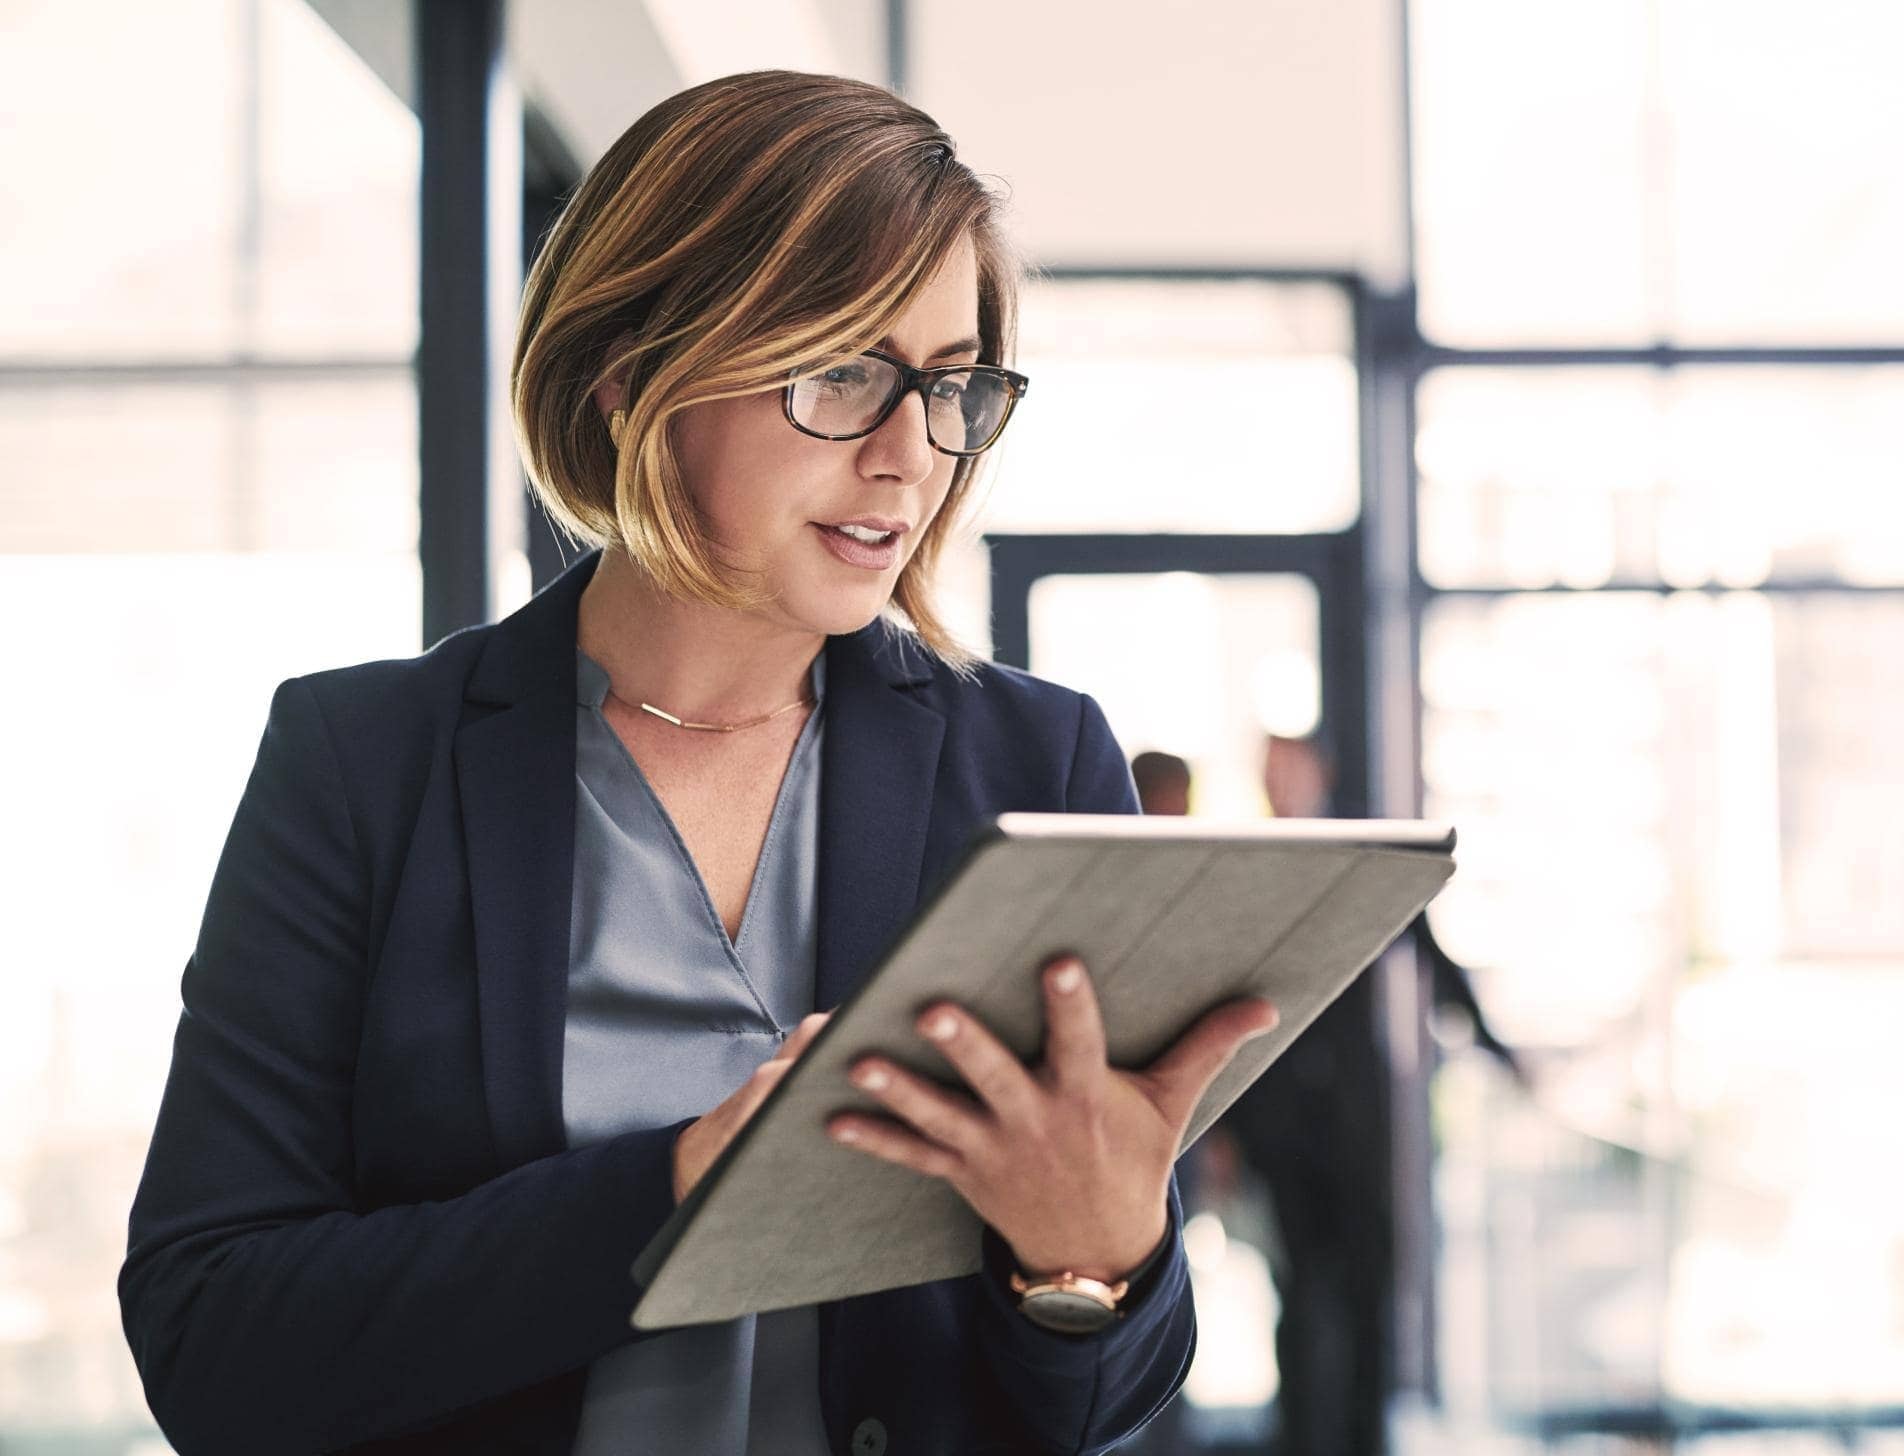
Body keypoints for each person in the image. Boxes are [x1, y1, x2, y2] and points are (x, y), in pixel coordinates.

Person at [116, 70, 1276, 1455]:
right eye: (846, 371)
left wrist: (1090, 1263)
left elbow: (1091, 1409)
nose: (913, 453)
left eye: (953, 384)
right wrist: (681, 1192)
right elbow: (211, 1347)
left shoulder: (1033, 759)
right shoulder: (366, 767)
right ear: (633, 380)